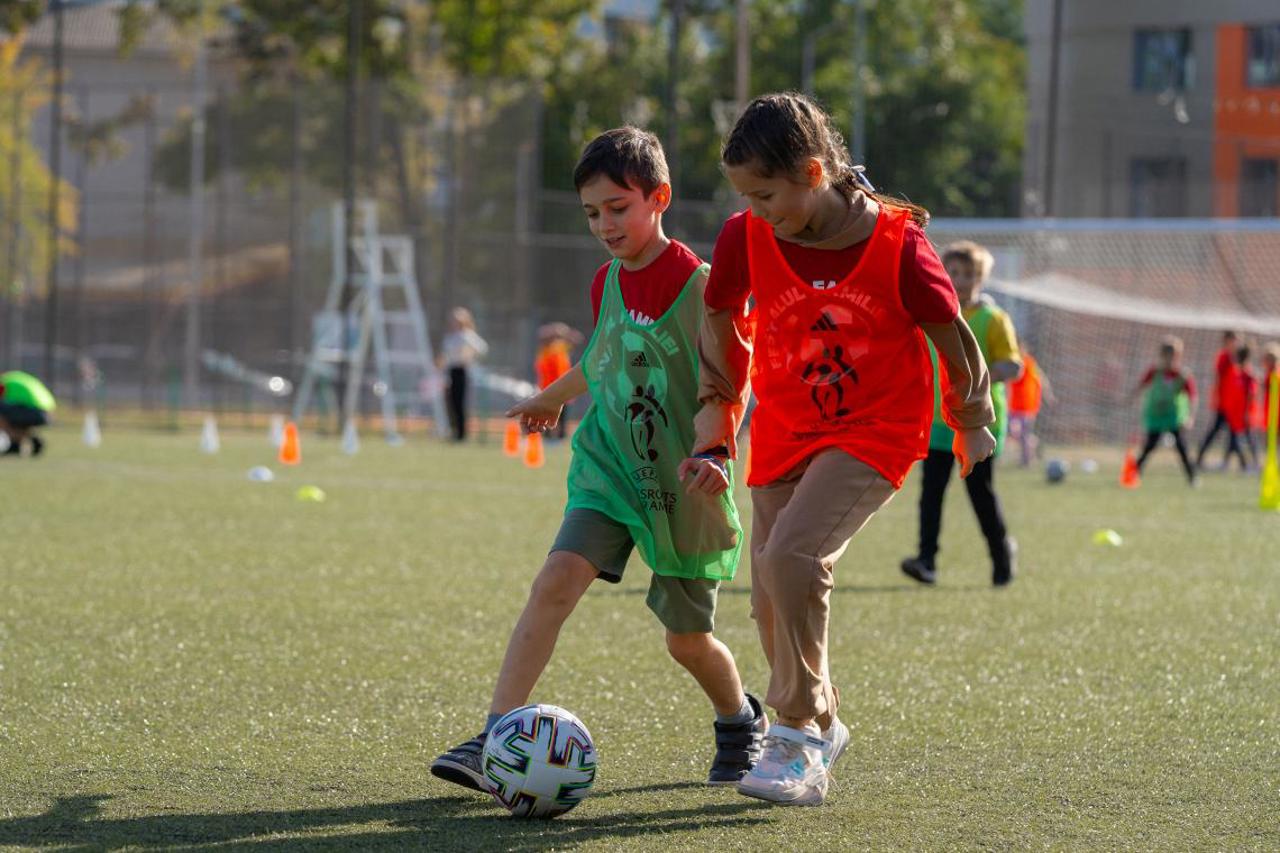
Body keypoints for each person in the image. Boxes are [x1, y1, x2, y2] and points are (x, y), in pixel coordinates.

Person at [431, 127, 766, 794]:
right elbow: (603, 356)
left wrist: (717, 450)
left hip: (683, 481)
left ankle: (738, 718)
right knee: (555, 579)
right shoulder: (607, 281)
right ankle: (495, 733)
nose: (604, 224)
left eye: (618, 207)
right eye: (591, 213)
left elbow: (735, 373)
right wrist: (549, 399)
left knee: (685, 640)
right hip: (610, 466)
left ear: (659, 198)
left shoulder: (699, 283)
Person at [694, 92, 996, 806]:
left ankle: (795, 736)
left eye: (768, 194)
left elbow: (951, 333)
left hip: (874, 429)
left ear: (813, 170)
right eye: (747, 196)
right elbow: (721, 318)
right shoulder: (745, 237)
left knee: (793, 556)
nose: (759, 210)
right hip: (783, 426)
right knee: (770, 593)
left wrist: (973, 415)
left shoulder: (896, 244)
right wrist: (716, 408)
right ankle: (822, 717)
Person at [900, 241, 1022, 589]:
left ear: (981, 278)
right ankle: (926, 561)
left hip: (981, 422)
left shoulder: (992, 319)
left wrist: (975, 381)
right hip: (939, 421)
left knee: (980, 494)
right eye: (954, 273)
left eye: (969, 274)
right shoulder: (933, 314)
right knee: (931, 493)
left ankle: (1001, 559)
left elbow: (1011, 365)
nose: (961, 280)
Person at [1132, 336, 1198, 484]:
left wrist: (1190, 417)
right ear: (1162, 356)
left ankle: (1192, 477)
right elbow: (1141, 385)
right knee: (1149, 446)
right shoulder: (1154, 372)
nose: (1170, 360)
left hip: (1173, 417)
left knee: (1181, 447)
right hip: (1156, 416)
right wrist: (1130, 398)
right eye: (1167, 356)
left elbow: (1193, 397)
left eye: (1174, 357)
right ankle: (1134, 473)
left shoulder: (1182, 375)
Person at [440, 307, 488, 442]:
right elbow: (446, 355)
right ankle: (453, 431)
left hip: (462, 370)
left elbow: (482, 348)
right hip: (451, 370)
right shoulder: (450, 336)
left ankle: (461, 434)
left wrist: (468, 355)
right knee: (451, 403)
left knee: (460, 403)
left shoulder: (467, 335)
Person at [1195, 330, 1240, 469]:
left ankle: (1227, 461)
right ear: (1227, 340)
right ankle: (1200, 458)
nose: (1236, 343)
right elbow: (1219, 378)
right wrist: (1219, 398)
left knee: (1234, 432)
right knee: (1219, 431)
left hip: (1232, 402)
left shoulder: (1234, 357)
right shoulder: (1223, 356)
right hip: (1224, 402)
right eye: (1234, 340)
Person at [1007, 340, 1054, 467]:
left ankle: (1026, 461)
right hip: (1013, 405)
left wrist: (1048, 394)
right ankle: (1033, 444)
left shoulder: (1029, 362)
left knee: (1023, 434)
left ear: (1024, 349)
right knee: (1014, 431)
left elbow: (1041, 379)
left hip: (1028, 406)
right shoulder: (1011, 362)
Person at [534, 322, 584, 440]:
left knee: (562, 417)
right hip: (548, 389)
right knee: (547, 416)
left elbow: (578, 339)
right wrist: (554, 330)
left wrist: (565, 333)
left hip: (563, 388)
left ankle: (559, 438)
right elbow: (541, 334)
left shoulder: (559, 347)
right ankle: (547, 437)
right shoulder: (545, 350)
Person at [1221, 344, 1260, 471]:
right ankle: (1233, 463)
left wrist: (1247, 412)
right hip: (1234, 413)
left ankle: (1255, 463)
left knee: (1249, 438)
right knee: (1233, 438)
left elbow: (1251, 394)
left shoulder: (1248, 375)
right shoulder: (1235, 372)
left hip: (1245, 414)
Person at [0, 370, 56, 457]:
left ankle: (15, 442)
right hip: (49, 414)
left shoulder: (4, 383)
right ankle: (32, 440)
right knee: (13, 417)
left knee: (3, 414)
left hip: (35, 412)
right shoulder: (16, 377)